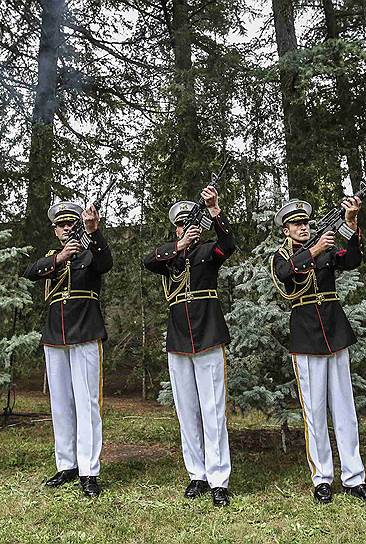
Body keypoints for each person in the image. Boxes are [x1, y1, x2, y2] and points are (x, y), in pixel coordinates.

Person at [270, 197, 366, 504]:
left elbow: (351, 260)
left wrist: (350, 224)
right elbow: (284, 276)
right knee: (315, 412)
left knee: (345, 409)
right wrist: (314, 251)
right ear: (286, 230)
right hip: (306, 335)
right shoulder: (282, 256)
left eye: (305, 222)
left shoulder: (326, 246)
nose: (302, 227)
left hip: (334, 330)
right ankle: (322, 478)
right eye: (296, 224)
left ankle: (354, 477)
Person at [142, 186, 235, 507]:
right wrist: (179, 245)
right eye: (183, 225)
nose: (188, 228)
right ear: (177, 229)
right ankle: (197, 474)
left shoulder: (209, 252)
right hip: (180, 338)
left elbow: (229, 244)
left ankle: (219, 479)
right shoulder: (170, 258)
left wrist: (214, 209)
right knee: (187, 412)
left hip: (208, 333)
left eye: (192, 224)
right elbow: (148, 260)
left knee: (213, 411)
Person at [23, 201, 113, 498]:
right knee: (60, 403)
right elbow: (30, 272)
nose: (66, 229)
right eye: (62, 225)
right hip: (55, 334)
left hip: (85, 330)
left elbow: (106, 263)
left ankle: (89, 470)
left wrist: (92, 231)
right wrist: (61, 257)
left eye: (71, 224)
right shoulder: (53, 258)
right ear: (55, 230)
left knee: (87, 404)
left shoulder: (91, 252)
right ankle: (66, 465)